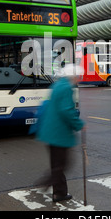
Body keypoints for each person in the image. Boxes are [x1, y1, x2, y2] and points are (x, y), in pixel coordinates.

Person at [36, 64, 85, 202]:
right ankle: (46, 183)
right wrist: (79, 124)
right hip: (58, 133)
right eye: (78, 77)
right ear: (73, 76)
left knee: (57, 164)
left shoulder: (57, 85)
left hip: (50, 131)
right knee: (62, 164)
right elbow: (67, 111)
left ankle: (60, 193)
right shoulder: (66, 88)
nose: (79, 80)